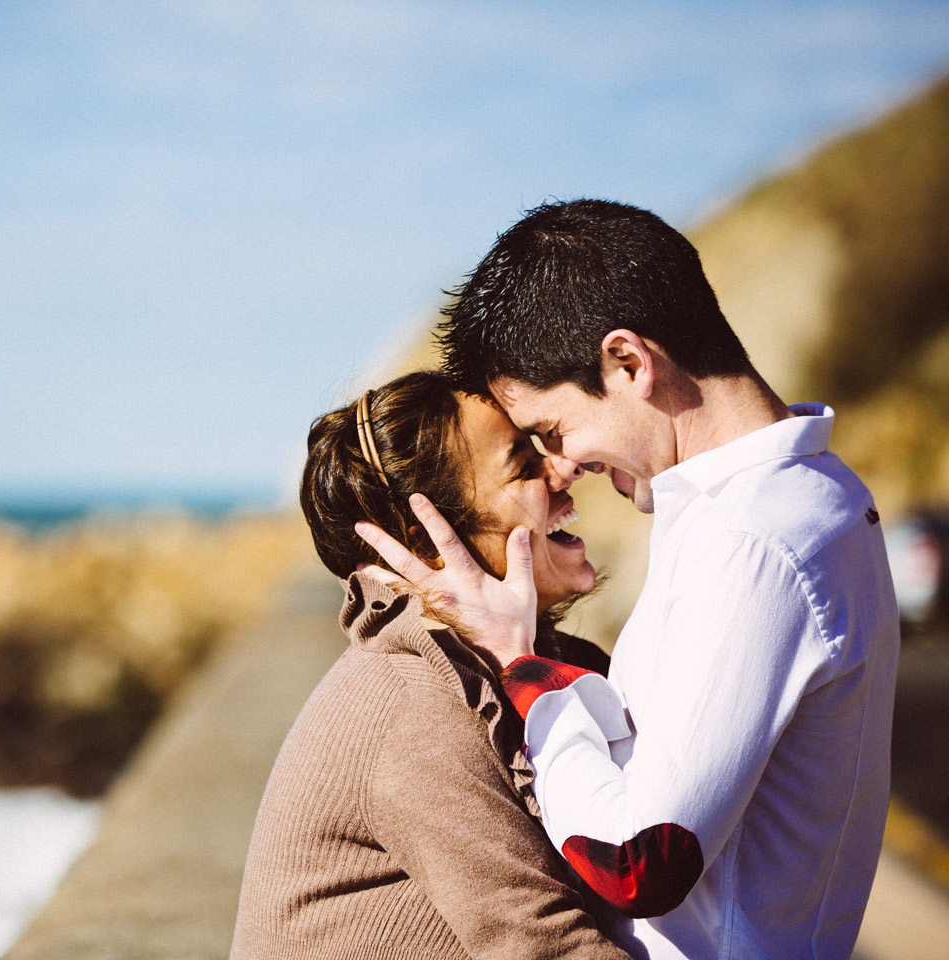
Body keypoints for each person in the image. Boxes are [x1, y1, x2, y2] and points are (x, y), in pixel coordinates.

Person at [358, 199, 900, 959]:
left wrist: (523, 667)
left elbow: (640, 859)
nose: (561, 466)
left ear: (629, 363)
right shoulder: (801, 498)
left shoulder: (751, 538)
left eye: (552, 431)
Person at [231, 370, 631, 960]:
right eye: (523, 466)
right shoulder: (415, 708)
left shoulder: (546, 661)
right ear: (430, 546)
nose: (564, 468)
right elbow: (547, 946)